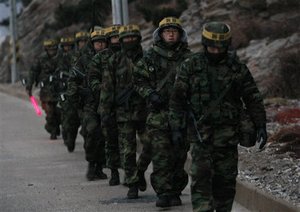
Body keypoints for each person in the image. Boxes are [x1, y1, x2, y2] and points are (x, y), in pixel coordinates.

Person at [169, 21, 268, 212]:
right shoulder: (190, 66)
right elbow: (177, 101)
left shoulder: (237, 69)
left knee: (225, 184)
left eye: (220, 48)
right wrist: (176, 128)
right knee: (201, 182)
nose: (216, 51)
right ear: (205, 45)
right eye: (212, 47)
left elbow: (252, 97)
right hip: (201, 137)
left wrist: (261, 124)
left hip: (228, 137)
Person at [133, 17, 192, 207]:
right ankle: (163, 192)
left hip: (182, 115)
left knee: (179, 154)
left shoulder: (189, 58)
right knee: (160, 154)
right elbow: (138, 80)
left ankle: (175, 190)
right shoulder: (150, 57)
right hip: (158, 115)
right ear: (161, 34)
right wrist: (150, 94)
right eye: (167, 31)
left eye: (174, 31)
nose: (171, 33)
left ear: (180, 34)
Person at [100, 24, 146, 199]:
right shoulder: (114, 61)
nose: (129, 41)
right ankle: (132, 183)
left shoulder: (147, 58)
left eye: (133, 37)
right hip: (123, 113)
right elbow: (106, 89)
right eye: (126, 38)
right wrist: (105, 113)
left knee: (149, 146)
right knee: (128, 151)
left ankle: (140, 172)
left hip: (144, 112)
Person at [66, 28, 107, 180]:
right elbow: (72, 81)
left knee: (105, 136)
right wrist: (78, 95)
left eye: (103, 42)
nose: (100, 45)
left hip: (108, 104)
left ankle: (100, 165)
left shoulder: (112, 58)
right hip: (90, 105)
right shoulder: (83, 60)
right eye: (97, 42)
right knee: (91, 132)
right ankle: (91, 164)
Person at [88, 24, 122, 186]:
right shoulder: (99, 58)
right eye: (113, 38)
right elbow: (93, 79)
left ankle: (132, 172)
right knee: (108, 138)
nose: (116, 41)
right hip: (104, 103)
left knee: (127, 139)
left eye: (118, 37)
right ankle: (113, 170)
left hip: (127, 105)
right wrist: (102, 90)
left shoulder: (128, 54)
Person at [26, 39, 61, 140]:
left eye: (53, 49)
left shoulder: (62, 58)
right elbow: (33, 72)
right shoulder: (41, 59)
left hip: (60, 89)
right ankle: (53, 130)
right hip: (47, 91)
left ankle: (57, 125)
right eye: (49, 49)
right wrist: (29, 85)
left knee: (61, 112)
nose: (51, 51)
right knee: (50, 113)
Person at [56, 36, 77, 147]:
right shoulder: (58, 58)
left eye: (69, 46)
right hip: (63, 91)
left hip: (74, 91)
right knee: (65, 116)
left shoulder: (77, 57)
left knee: (74, 118)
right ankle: (66, 135)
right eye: (65, 47)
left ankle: (71, 138)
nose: (67, 48)